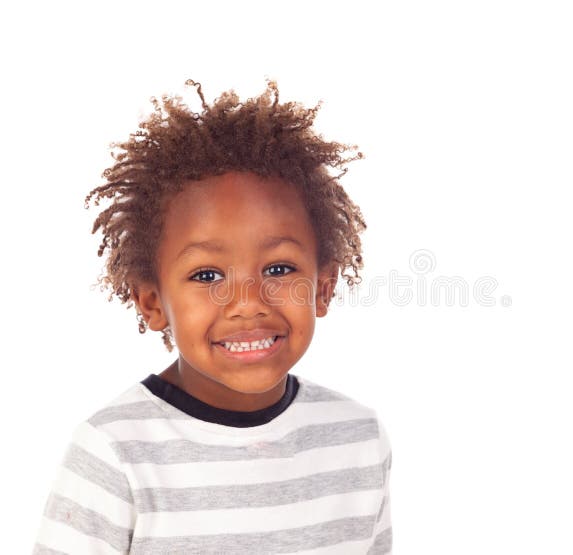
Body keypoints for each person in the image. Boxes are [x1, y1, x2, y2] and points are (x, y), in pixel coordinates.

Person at [32, 79, 393, 554]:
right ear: (152, 303)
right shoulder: (116, 450)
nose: (247, 302)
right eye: (206, 275)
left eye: (279, 269)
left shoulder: (356, 439)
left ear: (322, 288)